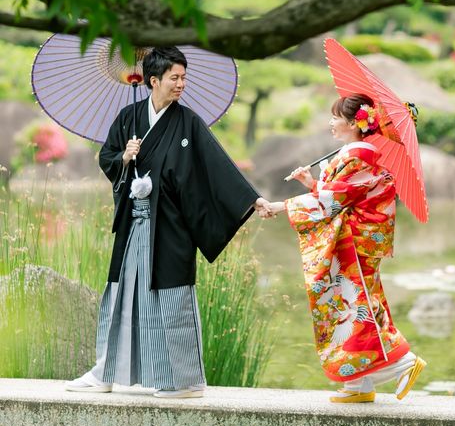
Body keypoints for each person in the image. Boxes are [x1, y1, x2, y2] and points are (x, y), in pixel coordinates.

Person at [66, 46, 269, 398]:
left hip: (171, 227)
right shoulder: (128, 117)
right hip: (134, 225)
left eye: (183, 77)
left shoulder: (188, 122)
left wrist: (253, 200)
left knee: (172, 300)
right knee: (122, 295)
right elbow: (107, 157)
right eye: (174, 77)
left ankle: (184, 381)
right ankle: (106, 372)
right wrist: (124, 157)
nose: (181, 84)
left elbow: (217, 166)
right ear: (153, 80)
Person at [264, 94, 426, 403]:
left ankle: (404, 361)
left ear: (354, 123)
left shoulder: (359, 156)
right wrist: (311, 183)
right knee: (352, 306)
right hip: (358, 240)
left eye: (336, 117)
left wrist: (281, 205)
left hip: (355, 241)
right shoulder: (356, 153)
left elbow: (335, 199)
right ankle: (359, 383)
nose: (331, 122)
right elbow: (340, 195)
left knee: (358, 306)